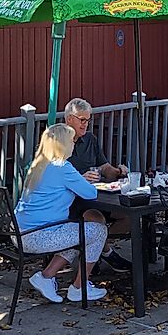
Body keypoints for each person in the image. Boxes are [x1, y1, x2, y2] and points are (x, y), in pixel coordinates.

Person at [17, 124, 109, 305]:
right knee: (98, 231)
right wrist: (80, 181)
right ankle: (79, 288)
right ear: (63, 144)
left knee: (76, 231)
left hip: (21, 232)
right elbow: (91, 193)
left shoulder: (39, 164)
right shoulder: (63, 167)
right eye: (71, 141)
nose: (74, 144)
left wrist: (77, 180)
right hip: (40, 235)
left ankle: (46, 277)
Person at [62, 98, 130, 271]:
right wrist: (80, 178)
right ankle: (105, 254)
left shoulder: (90, 139)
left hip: (96, 194)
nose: (85, 124)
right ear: (70, 119)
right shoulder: (58, 141)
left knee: (129, 217)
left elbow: (104, 166)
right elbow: (56, 175)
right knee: (95, 218)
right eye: (82, 120)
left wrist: (118, 172)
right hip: (71, 200)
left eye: (88, 120)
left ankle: (98, 249)